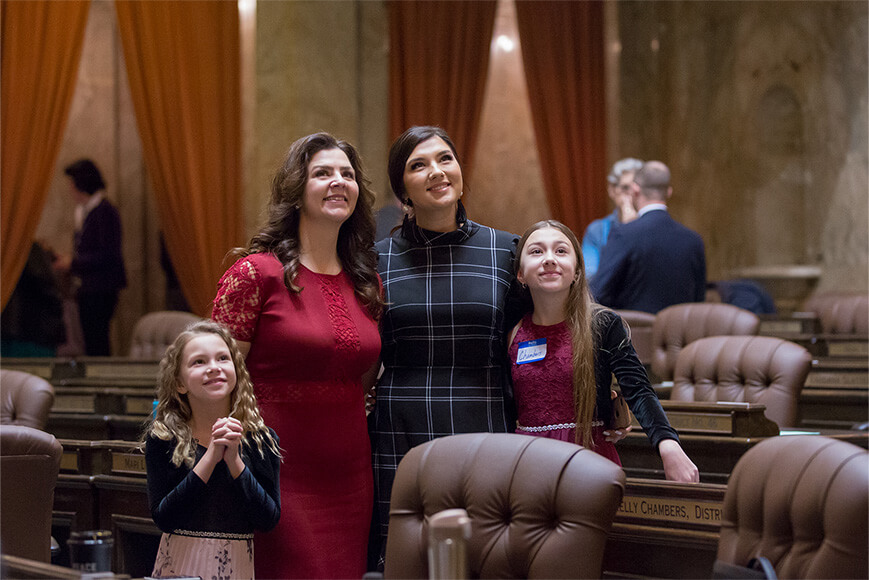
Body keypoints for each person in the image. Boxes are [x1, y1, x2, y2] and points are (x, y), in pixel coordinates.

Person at [212, 132, 382, 579]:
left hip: (351, 474)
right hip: (274, 470)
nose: (338, 182)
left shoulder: (367, 282)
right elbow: (212, 377)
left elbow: (359, 376)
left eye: (347, 174)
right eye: (322, 173)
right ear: (295, 191)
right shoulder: (255, 273)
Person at [369, 126, 520, 567]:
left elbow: (535, 338)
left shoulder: (506, 250)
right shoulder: (374, 259)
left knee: (485, 558)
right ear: (403, 192)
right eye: (419, 165)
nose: (436, 172)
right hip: (400, 428)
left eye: (445, 159)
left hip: (485, 419)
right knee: (404, 559)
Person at [510, 220, 699, 482]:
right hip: (526, 462)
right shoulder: (511, 331)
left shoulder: (602, 324)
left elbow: (639, 390)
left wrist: (668, 445)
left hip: (588, 459)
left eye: (561, 251)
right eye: (536, 251)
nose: (550, 259)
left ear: (577, 271)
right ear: (520, 273)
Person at [145, 320, 281, 579]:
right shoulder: (164, 438)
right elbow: (165, 518)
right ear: (179, 384)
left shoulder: (262, 441)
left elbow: (267, 519)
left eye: (222, 358)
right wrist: (210, 457)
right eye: (199, 362)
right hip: (180, 567)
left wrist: (234, 462)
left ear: (236, 372)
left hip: (237, 567)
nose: (214, 368)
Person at [590, 160, 706, 314]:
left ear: (635, 190)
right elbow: (698, 299)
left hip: (633, 333)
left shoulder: (623, 233)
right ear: (669, 192)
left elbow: (599, 293)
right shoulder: (694, 240)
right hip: (679, 334)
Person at [57, 159, 127, 355]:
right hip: (89, 288)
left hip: (101, 288)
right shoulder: (86, 211)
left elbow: (108, 255)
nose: (70, 189)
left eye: (72, 183)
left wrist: (73, 263)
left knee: (98, 341)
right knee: (90, 341)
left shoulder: (105, 212)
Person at [0, 241, 66, 356]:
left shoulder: (18, 246)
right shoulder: (26, 248)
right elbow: (49, 291)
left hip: (22, 333)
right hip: (28, 334)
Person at [581, 157, 643, 277]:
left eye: (636, 188)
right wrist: (625, 230)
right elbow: (590, 276)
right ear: (612, 190)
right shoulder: (597, 230)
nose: (631, 194)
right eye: (625, 188)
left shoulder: (655, 226)